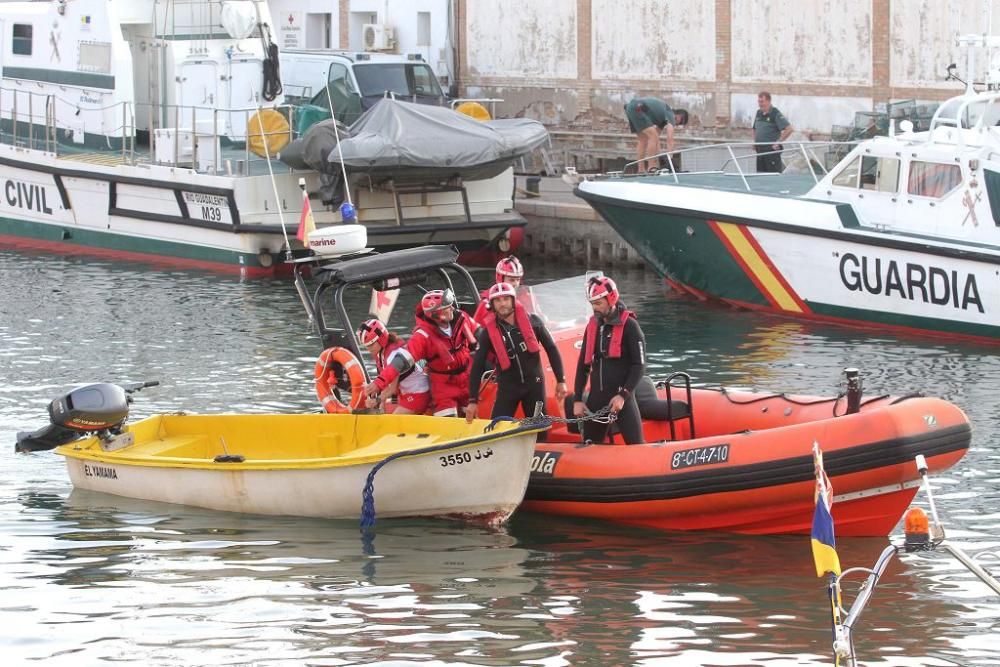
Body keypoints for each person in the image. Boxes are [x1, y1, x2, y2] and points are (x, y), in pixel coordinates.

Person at [467, 282, 568, 434]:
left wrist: (561, 380)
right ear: (492, 305)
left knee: (540, 430)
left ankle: (540, 453)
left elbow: (551, 349)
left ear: (513, 301)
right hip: (508, 388)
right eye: (498, 300)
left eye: (506, 299)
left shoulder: (534, 322)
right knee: (496, 430)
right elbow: (477, 366)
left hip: (534, 384)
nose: (503, 304)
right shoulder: (487, 333)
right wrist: (473, 401)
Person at [363, 289, 478, 417]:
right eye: (447, 307)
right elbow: (401, 362)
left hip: (467, 380)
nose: (452, 308)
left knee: (470, 418)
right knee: (447, 422)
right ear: (436, 314)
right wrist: (379, 382)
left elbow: (482, 336)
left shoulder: (461, 319)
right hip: (443, 386)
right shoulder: (422, 336)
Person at [572, 275, 646, 444]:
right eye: (592, 304)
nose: (594, 308)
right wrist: (577, 399)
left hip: (622, 400)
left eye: (598, 303)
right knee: (590, 449)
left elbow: (639, 366)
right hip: (596, 399)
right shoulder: (592, 327)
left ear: (611, 299)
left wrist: (622, 395)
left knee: (637, 447)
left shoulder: (630, 327)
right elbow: (583, 366)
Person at [356, 318, 430, 414]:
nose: (368, 349)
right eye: (366, 346)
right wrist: (380, 408)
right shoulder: (381, 354)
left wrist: (376, 401)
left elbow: (392, 389)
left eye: (371, 345)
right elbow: (386, 387)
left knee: (393, 425)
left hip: (418, 393)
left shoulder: (392, 356)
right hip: (406, 394)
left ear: (381, 339)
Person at [624, 97, 681, 174]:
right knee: (653, 137)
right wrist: (670, 158)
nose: (676, 124)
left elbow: (656, 139)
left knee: (643, 140)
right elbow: (670, 139)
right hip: (638, 108)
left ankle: (641, 170)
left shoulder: (662, 118)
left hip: (631, 108)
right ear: (678, 116)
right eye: (680, 122)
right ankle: (651, 167)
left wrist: (659, 158)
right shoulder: (670, 114)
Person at [473, 255, 538, 322]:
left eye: (518, 280)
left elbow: (539, 317)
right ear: (500, 279)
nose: (515, 284)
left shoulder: (527, 297)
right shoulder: (487, 302)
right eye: (511, 280)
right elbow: (477, 328)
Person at [752, 91, 794, 173]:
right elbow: (754, 129)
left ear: (768, 101)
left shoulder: (775, 113)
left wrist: (778, 142)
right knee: (760, 175)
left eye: (762, 101)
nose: (760, 104)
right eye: (759, 101)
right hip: (760, 151)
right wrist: (754, 142)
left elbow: (789, 129)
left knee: (773, 175)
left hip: (771, 151)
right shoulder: (758, 113)